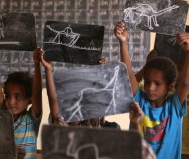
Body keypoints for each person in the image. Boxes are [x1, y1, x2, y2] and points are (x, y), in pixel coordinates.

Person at [114, 22, 189, 159]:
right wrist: (123, 43)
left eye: (157, 84)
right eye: (147, 82)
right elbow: (128, 75)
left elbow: (185, 83)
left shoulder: (174, 106)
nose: (150, 87)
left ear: (170, 87)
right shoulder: (140, 101)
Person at [0, 45, 43, 159]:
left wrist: (37, 65)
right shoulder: (2, 117)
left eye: (17, 97)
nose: (10, 101)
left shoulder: (32, 120)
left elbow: (37, 94)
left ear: (30, 99)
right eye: (7, 96)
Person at [39, 50, 120, 129]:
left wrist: (100, 70)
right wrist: (48, 69)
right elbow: (53, 98)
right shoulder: (60, 122)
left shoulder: (91, 119)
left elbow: (100, 95)